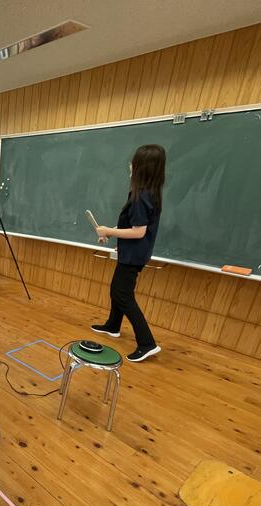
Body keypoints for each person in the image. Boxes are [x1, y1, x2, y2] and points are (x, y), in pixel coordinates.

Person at [93, 144, 165, 362]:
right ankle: (113, 326)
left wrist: (108, 231)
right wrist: (115, 237)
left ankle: (147, 343)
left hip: (134, 256)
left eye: (134, 162)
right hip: (133, 252)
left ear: (142, 167)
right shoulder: (148, 193)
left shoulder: (141, 196)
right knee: (118, 291)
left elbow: (138, 231)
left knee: (123, 295)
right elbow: (134, 228)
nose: (130, 165)